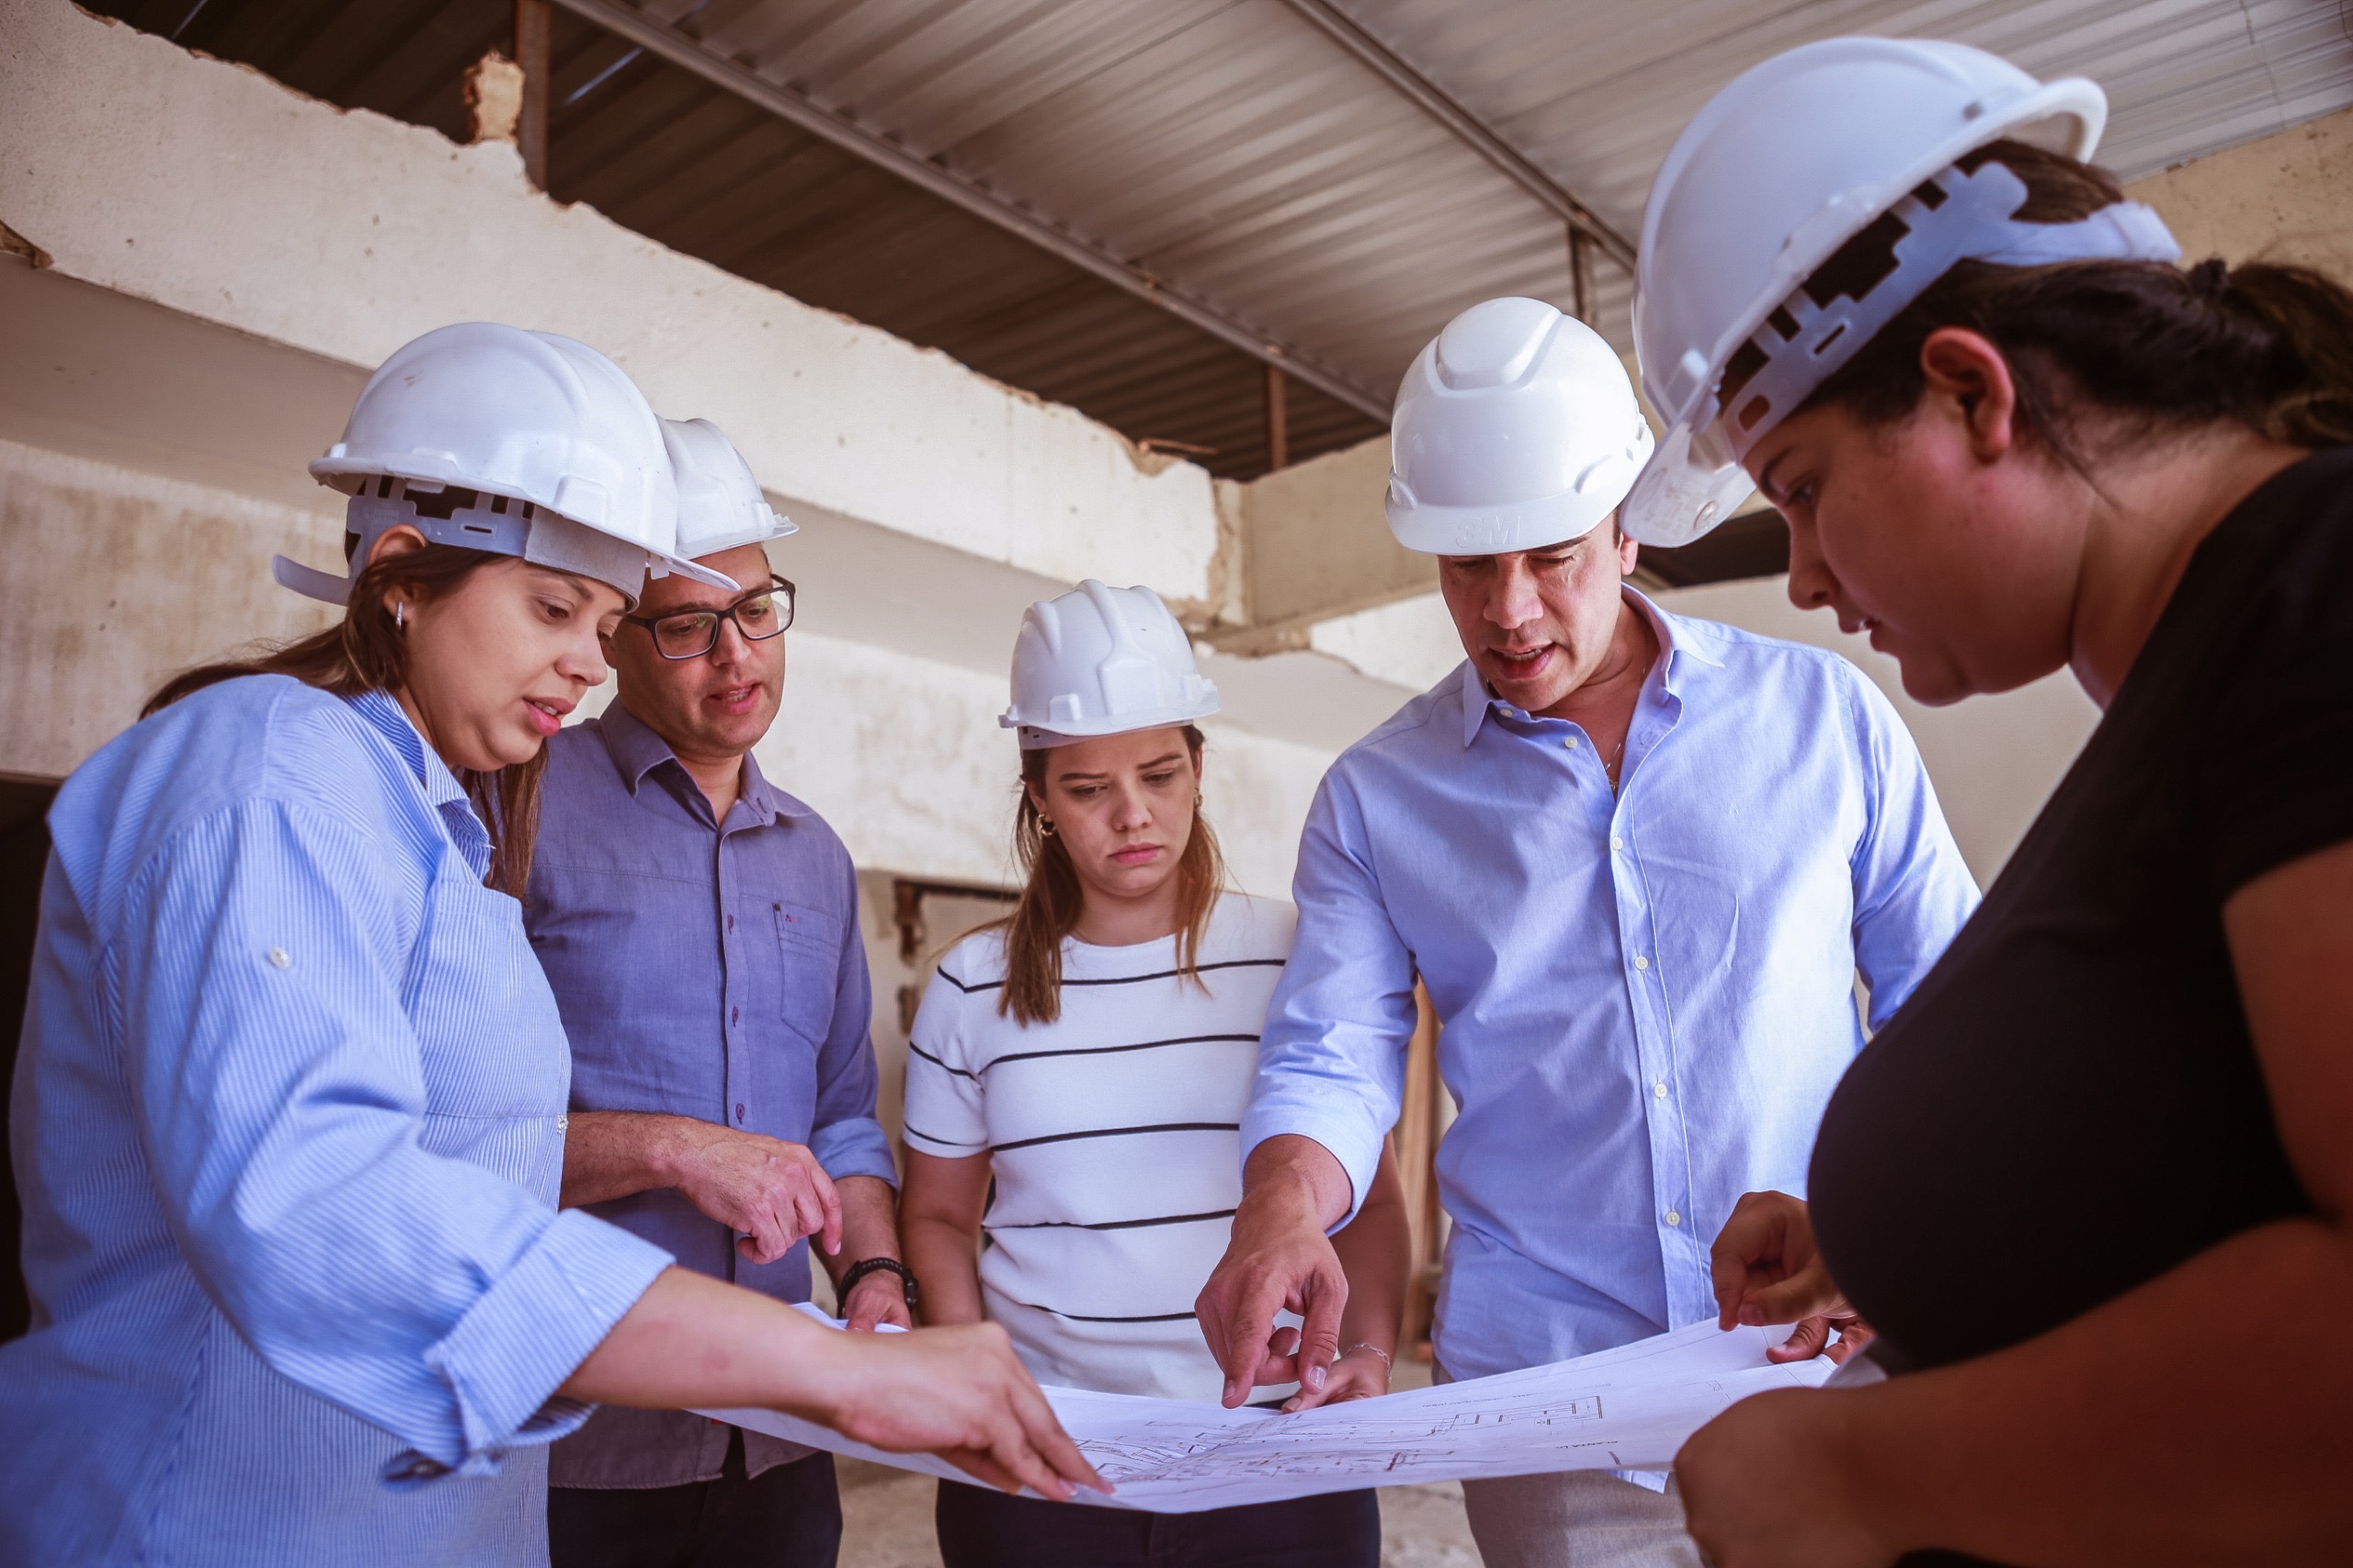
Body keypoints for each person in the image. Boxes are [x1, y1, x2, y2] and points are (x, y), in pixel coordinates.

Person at [0, 324, 1098, 1568]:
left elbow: (479, 1162)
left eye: (608, 613)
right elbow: (322, 1203)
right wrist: (820, 1364)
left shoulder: (439, 834)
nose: (588, 658)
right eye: (556, 606)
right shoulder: (264, 766)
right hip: (216, 1516)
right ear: (401, 574)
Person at [1619, 37, 2353, 1568]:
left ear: (1973, 392)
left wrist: (1862, 1477)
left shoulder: (2317, 590)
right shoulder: (2203, 665)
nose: (1807, 579)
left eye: (1805, 486)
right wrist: (1936, 1217)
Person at [1198, 298, 1982, 1568]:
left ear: (1627, 528)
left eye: (1551, 554)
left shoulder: (1823, 722)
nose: (1507, 610)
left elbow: (1956, 1012)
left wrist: (1898, 1240)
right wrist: (1280, 1212)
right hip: (1551, 1412)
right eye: (1467, 566)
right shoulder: (1377, 797)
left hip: (1822, 1364)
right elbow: (1331, 1057)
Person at [900, 580, 1408, 1568]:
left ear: (1199, 768)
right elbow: (936, 1217)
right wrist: (975, 1369)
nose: (1132, 814)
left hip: (1281, 1452)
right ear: (1038, 794)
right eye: (1087, 787)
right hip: (1044, 1458)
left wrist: (1367, 1355)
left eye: (1160, 773)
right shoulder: (969, 985)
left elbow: (1375, 1207)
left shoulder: (1297, 957)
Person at [525, 416, 907, 1567]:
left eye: (755, 609)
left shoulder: (816, 857)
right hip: (572, 1439)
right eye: (688, 625)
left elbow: (840, 1113)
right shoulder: (519, 806)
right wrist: (674, 1147)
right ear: (615, 634)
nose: (737, 655)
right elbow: (451, 1135)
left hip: (782, 1440)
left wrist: (875, 1274)